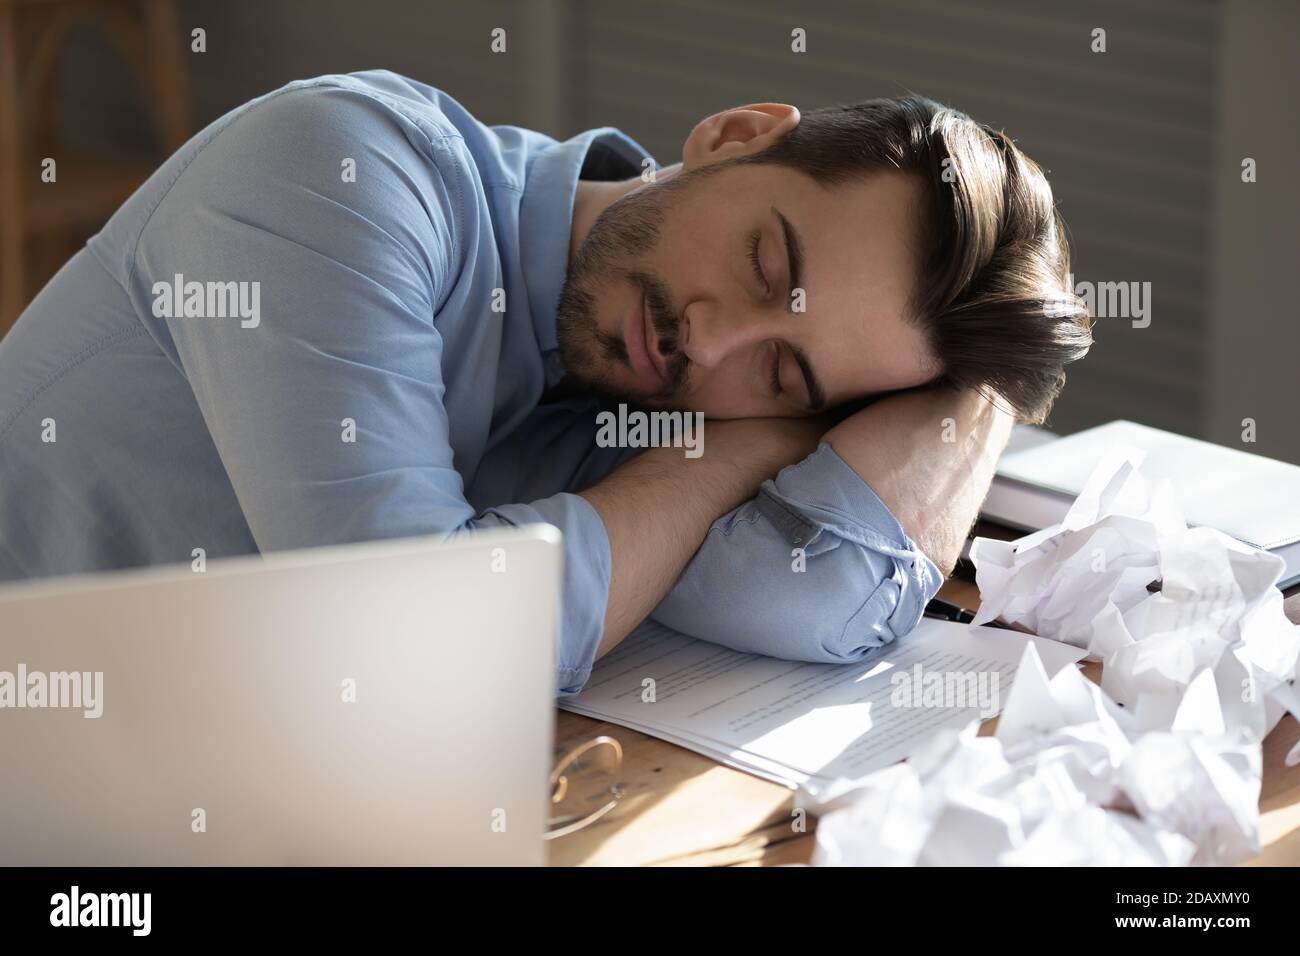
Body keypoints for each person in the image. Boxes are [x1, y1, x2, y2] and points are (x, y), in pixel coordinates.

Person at [0, 71, 1090, 694]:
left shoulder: (643, 403)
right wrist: (735, 448)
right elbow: (412, 647)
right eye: (767, 267)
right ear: (733, 137)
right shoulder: (336, 169)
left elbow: (807, 589)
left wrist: (980, 380)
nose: (708, 346)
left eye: (785, 368)